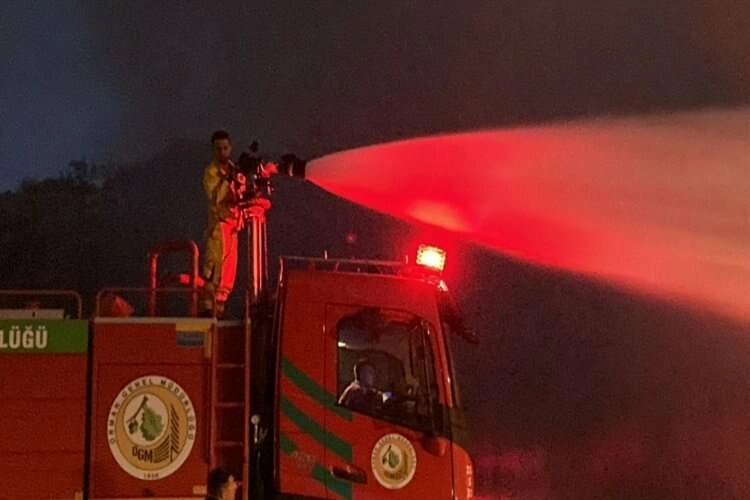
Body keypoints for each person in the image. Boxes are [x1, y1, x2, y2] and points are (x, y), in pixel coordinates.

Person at [201, 130, 243, 317]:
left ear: (230, 148)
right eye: (218, 148)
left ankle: (220, 312)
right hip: (218, 229)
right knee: (214, 275)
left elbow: (241, 195)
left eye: (225, 148)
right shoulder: (210, 173)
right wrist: (228, 180)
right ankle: (207, 314)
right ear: (213, 150)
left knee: (227, 276)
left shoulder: (234, 170)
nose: (222, 152)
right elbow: (216, 197)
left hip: (232, 228)